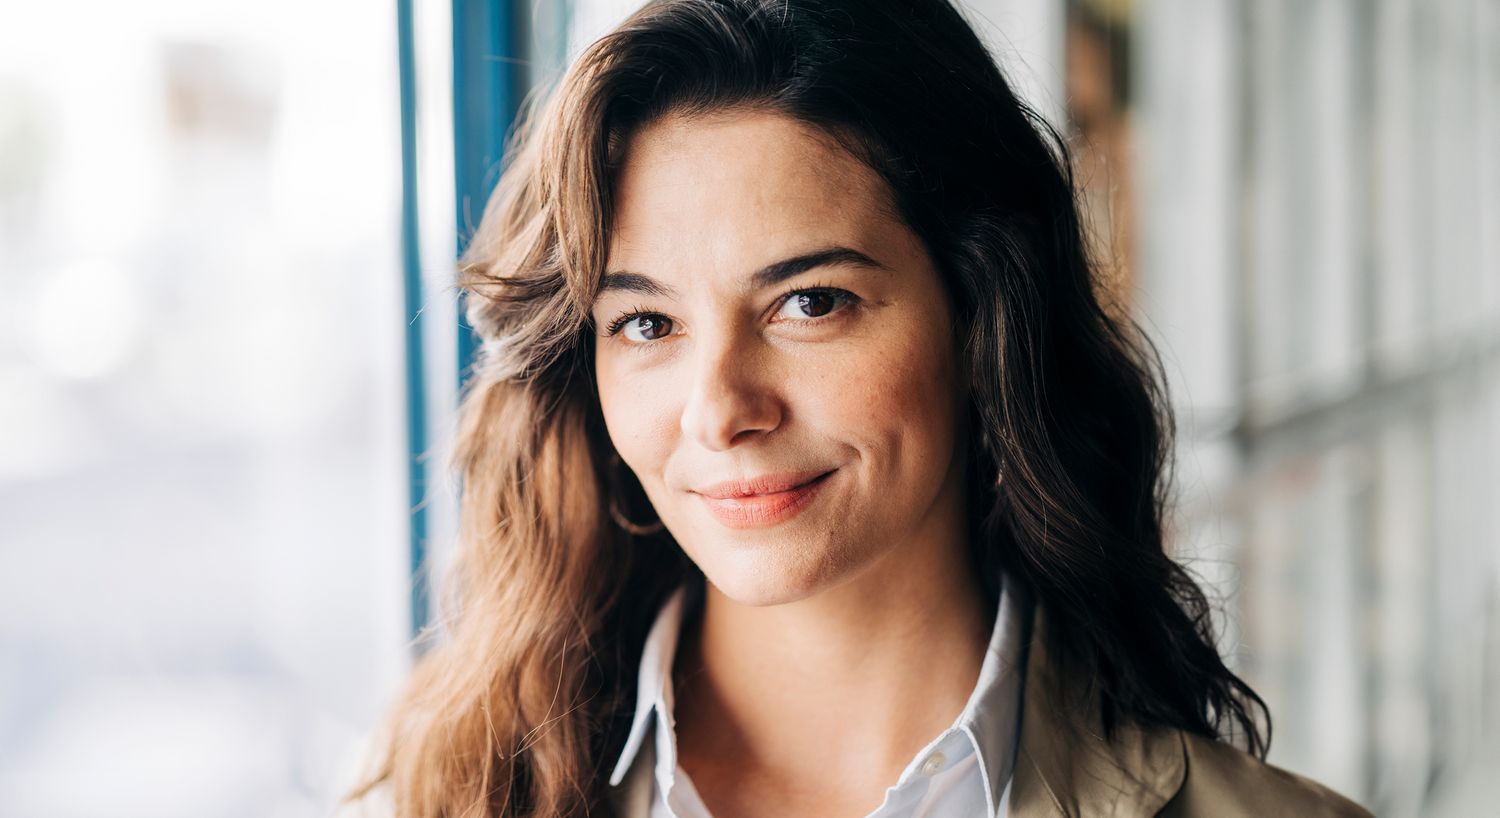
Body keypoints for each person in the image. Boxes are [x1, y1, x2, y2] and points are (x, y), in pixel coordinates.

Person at [342, 1, 1371, 816]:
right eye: (648, 323)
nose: (719, 409)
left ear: (983, 317)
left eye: (810, 302)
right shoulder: (440, 800)